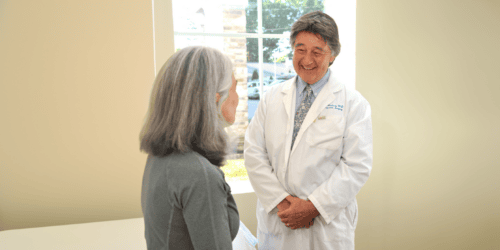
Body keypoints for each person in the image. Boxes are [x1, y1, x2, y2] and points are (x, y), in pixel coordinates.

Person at [244, 11, 373, 250]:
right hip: (277, 220)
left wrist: (313, 207)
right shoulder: (272, 97)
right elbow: (254, 154)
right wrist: (282, 203)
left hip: (325, 227)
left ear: (333, 54)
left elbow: (356, 165)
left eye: (317, 51)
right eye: (300, 49)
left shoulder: (354, 104)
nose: (307, 59)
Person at [140, 46, 240, 249]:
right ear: (215, 98)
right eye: (234, 88)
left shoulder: (160, 158)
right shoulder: (199, 174)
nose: (238, 98)